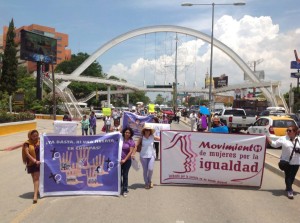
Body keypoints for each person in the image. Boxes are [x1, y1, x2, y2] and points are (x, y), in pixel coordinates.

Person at [267, 125, 300, 199]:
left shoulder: (299, 139)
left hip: (296, 161)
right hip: (285, 161)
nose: (288, 132)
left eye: (290, 130)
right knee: (288, 176)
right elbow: (275, 144)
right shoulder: (283, 139)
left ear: (295, 132)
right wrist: (268, 140)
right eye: (287, 130)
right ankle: (290, 190)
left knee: (292, 177)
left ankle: (288, 186)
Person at [22, 130, 41, 204]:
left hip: (38, 162)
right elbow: (27, 154)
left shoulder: (40, 141)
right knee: (34, 178)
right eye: (34, 136)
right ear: (30, 136)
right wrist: (34, 160)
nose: (35, 137)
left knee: (36, 178)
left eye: (36, 135)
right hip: (31, 163)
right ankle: (37, 191)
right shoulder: (27, 143)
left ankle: (35, 195)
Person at [120, 127, 135, 197]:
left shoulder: (131, 141)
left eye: (129, 133)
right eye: (126, 132)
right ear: (124, 133)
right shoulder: (120, 139)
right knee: (119, 175)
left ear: (131, 134)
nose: (127, 134)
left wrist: (124, 160)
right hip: (119, 161)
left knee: (125, 175)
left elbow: (130, 152)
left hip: (127, 161)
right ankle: (120, 187)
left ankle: (125, 190)